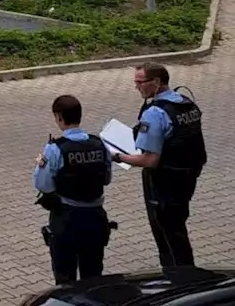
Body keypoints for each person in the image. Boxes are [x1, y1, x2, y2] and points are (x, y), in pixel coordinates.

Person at [114, 64, 207, 268]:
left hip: (165, 180)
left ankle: (179, 279)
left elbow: (150, 160)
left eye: (140, 82)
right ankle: (184, 274)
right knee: (178, 226)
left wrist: (118, 157)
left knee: (167, 233)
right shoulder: (185, 102)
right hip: (187, 175)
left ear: (156, 83)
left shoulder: (155, 113)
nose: (137, 87)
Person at [34, 95, 113, 285]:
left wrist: (40, 165)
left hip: (67, 219)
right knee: (93, 277)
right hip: (95, 217)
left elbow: (43, 185)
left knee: (65, 279)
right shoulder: (100, 144)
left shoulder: (54, 149)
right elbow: (107, 179)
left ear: (59, 117)